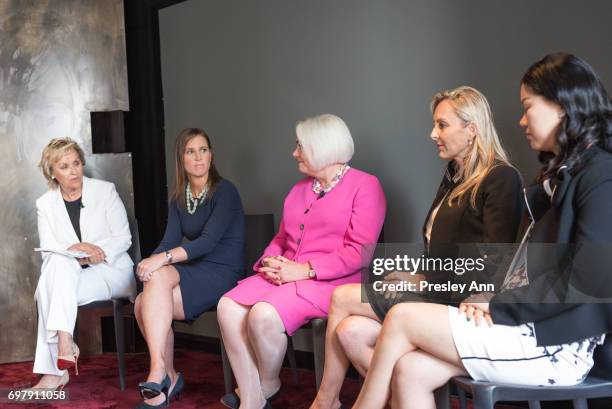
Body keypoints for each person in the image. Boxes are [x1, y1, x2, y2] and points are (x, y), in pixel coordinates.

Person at [351, 53, 612, 409]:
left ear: (562, 107)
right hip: (525, 323)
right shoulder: (562, 175)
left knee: (401, 316)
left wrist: (497, 303)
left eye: (528, 106)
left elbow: (587, 281)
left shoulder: (601, 175)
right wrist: (487, 299)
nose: (521, 120)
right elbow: (521, 265)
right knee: (410, 370)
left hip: (555, 343)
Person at [311, 86, 523, 409]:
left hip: (459, 301)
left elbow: (494, 266)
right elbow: (440, 250)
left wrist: (423, 281)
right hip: (434, 288)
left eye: (442, 125)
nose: (432, 133)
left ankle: (325, 401)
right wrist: (416, 275)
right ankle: (399, 399)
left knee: (341, 297)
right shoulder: (454, 173)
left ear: (471, 129)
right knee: (350, 331)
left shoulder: (501, 178)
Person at [217, 114, 386, 409]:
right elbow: (281, 238)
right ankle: (251, 395)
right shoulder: (299, 189)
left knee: (263, 315)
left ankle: (268, 384)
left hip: (333, 282)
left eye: (300, 146)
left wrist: (305, 270)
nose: (294, 153)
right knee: (227, 307)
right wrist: (270, 260)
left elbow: (360, 250)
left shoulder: (365, 186)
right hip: (287, 275)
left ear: (323, 148)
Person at [134, 128, 245, 409]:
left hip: (222, 273)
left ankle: (162, 376)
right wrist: (148, 263)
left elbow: (207, 243)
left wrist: (162, 260)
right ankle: (165, 375)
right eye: (190, 151)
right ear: (180, 159)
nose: (198, 157)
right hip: (195, 269)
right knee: (141, 302)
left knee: (144, 302)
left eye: (203, 150)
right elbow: (169, 242)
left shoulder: (225, 190)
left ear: (212, 154)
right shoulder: (179, 197)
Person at [32, 137, 136, 390]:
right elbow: (49, 251)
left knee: (48, 289)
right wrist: (76, 251)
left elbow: (124, 238)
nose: (74, 170)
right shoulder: (45, 204)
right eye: (64, 166)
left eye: (76, 163)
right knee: (57, 264)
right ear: (52, 173)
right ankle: (65, 344)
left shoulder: (104, 190)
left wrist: (94, 251)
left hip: (111, 271)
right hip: (70, 274)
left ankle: (56, 370)